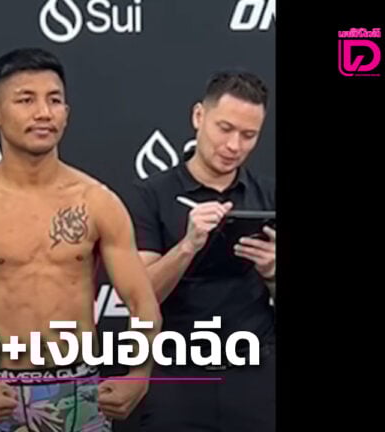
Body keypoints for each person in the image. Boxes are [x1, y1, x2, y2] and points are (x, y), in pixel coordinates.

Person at [0, 47, 162, 432]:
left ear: (67, 113)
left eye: (54, 100)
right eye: (26, 100)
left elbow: (141, 301)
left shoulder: (98, 202)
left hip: (80, 391)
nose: (44, 112)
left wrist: (139, 374)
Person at [131, 71, 276, 431]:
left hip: (255, 374)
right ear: (199, 116)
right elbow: (141, 296)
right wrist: (188, 246)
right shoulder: (150, 196)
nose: (234, 145)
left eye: (248, 135)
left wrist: (273, 273)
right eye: (224, 129)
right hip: (177, 373)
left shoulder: (269, 196)